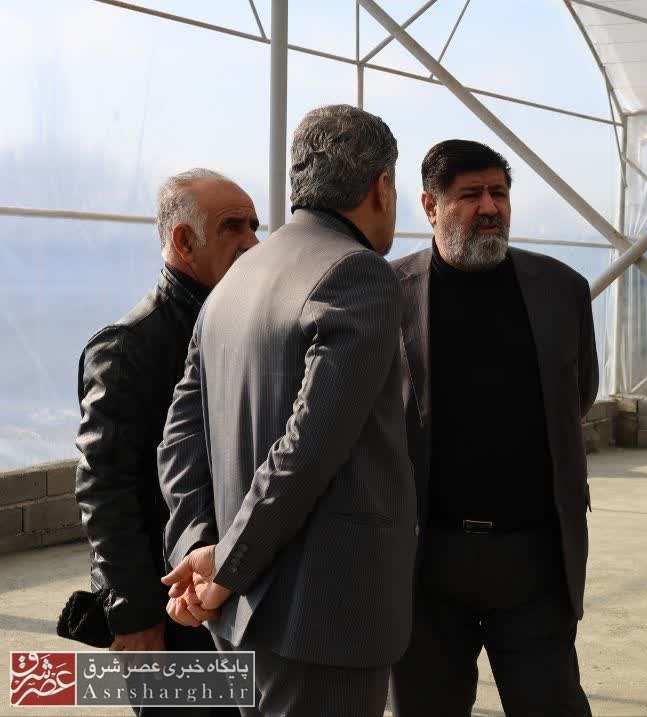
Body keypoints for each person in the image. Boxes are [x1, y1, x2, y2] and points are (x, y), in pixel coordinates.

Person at [157, 104, 414, 717]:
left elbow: (180, 437)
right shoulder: (358, 273)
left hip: (236, 615)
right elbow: (308, 447)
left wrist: (200, 547)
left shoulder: (235, 278)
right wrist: (227, 565)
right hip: (324, 619)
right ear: (381, 187)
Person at [388, 139, 598, 716]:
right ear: (429, 206)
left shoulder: (562, 289)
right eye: (470, 195)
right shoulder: (385, 293)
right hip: (423, 562)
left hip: (533, 561)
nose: (490, 207)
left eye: (499, 193)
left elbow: (579, 393)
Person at [73, 168, 257, 716]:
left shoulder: (246, 326)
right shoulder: (127, 348)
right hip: (172, 611)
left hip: (231, 595)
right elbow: (105, 490)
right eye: (232, 227)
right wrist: (135, 614)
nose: (252, 241)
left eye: (254, 225)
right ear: (183, 240)